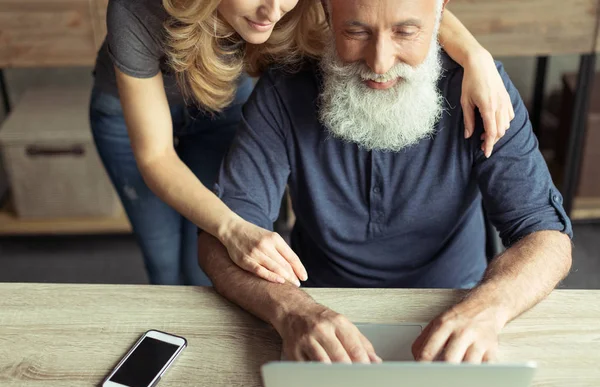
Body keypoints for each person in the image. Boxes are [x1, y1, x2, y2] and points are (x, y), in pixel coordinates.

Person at [197, 0, 573, 364]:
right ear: (327, 12)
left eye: (406, 32)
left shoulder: (481, 89)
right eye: (356, 31)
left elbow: (547, 236)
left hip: (459, 305)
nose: (379, 62)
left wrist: (489, 308)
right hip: (316, 308)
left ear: (440, 15)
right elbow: (221, 239)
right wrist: (290, 310)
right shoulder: (285, 88)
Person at [90, 0, 513, 285]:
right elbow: (156, 155)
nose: (273, 10)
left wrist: (476, 56)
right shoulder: (136, 9)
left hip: (217, 97)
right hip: (129, 119)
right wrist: (233, 227)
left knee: (204, 264)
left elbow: (405, 8)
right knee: (166, 263)